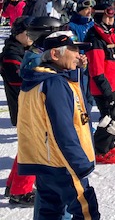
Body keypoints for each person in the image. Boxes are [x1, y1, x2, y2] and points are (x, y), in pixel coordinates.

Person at [17, 31, 100, 219]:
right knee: (87, 212)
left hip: (45, 163)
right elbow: (63, 128)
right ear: (55, 54)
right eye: (73, 50)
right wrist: (79, 164)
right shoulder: (55, 84)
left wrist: (77, 71)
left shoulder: (38, 80)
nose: (79, 55)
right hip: (64, 164)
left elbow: (75, 103)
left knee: (49, 212)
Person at [84, 4, 115, 165]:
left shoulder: (111, 34)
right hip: (104, 87)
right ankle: (100, 149)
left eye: (112, 17)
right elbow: (96, 69)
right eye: (107, 17)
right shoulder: (95, 37)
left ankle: (110, 145)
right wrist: (106, 90)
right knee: (109, 119)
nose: (110, 20)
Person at [1, 16, 36, 206]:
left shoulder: (23, 49)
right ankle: (20, 192)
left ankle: (13, 185)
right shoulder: (11, 55)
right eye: (27, 33)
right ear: (17, 34)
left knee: (26, 148)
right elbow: (22, 81)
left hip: (27, 107)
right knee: (32, 150)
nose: (30, 36)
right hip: (24, 109)